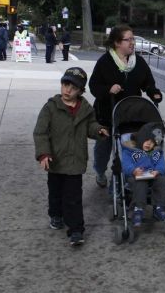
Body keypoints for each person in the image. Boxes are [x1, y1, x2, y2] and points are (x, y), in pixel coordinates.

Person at [33, 67, 109, 246]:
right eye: (65, 84)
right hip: (56, 160)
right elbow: (40, 132)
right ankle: (56, 215)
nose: (67, 90)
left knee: (73, 196)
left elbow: (91, 126)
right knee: (56, 192)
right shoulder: (51, 107)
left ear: (81, 91)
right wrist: (44, 154)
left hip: (75, 161)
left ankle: (76, 230)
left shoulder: (85, 109)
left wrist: (98, 130)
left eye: (73, 87)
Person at [89, 24, 163, 188]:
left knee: (132, 148)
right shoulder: (105, 61)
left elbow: (148, 83)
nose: (132, 43)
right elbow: (93, 86)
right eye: (128, 40)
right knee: (104, 148)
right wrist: (109, 89)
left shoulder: (139, 62)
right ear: (117, 43)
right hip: (107, 114)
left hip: (131, 115)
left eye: (133, 39)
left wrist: (154, 93)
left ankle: (131, 177)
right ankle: (100, 171)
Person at [121, 124, 165, 227]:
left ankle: (159, 207)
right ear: (141, 139)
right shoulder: (129, 151)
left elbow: (161, 164)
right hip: (135, 176)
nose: (149, 144)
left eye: (152, 142)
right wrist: (133, 170)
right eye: (147, 140)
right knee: (140, 182)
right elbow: (126, 165)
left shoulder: (156, 152)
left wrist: (157, 171)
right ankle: (138, 209)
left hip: (152, 175)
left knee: (162, 179)